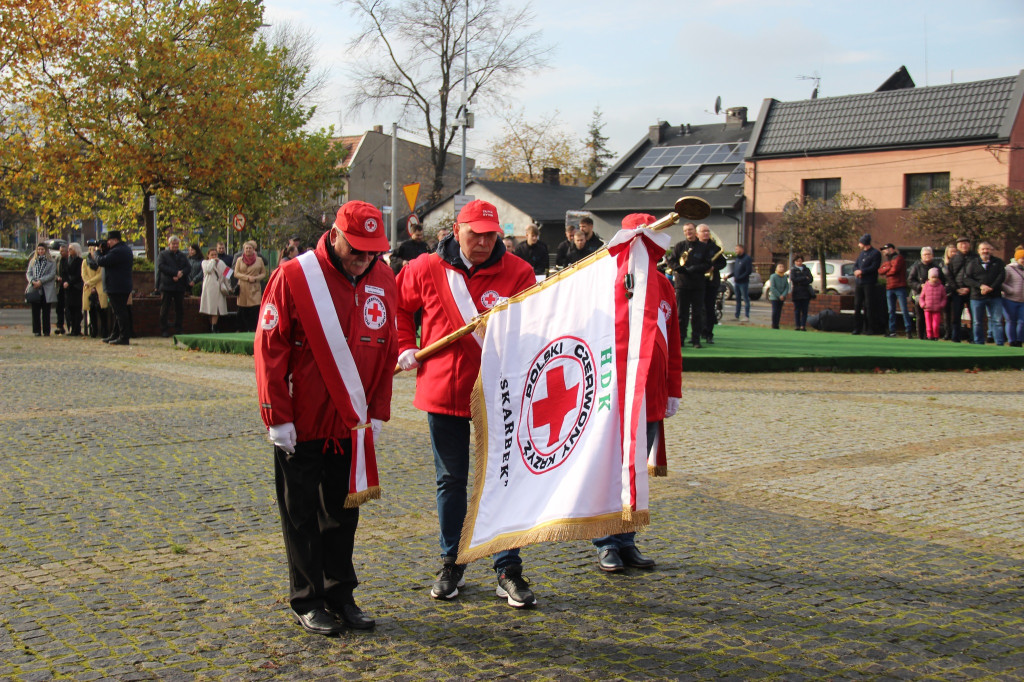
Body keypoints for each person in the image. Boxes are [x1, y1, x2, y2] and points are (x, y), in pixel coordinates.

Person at [255, 200, 398, 636]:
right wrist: (276, 417)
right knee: (300, 514)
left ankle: (340, 593)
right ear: (334, 235)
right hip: (300, 422)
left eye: (372, 250)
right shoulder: (294, 276)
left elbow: (387, 346)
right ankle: (307, 598)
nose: (364, 258)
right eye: (356, 248)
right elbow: (269, 349)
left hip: (350, 422)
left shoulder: (383, 277)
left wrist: (376, 411)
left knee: (343, 513)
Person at [395, 199, 538, 608]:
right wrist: (406, 344)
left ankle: (508, 568)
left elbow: (534, 328)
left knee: (502, 479)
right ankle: (452, 562)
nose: (481, 241)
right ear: (455, 229)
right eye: (474, 233)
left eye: (490, 234)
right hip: (443, 390)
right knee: (451, 481)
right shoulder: (424, 268)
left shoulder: (519, 272)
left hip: (500, 393)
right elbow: (400, 309)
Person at [593, 214, 680, 573]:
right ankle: (606, 542)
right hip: (614, 395)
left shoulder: (665, 285)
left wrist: (673, 388)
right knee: (611, 471)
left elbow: (672, 341)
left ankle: (627, 540)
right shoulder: (604, 280)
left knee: (635, 473)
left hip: (651, 395)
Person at [669, 223, 713, 348]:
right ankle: (681, 339)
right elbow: (671, 261)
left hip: (698, 285)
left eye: (691, 230)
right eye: (686, 230)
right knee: (681, 314)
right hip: (682, 284)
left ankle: (696, 339)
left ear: (695, 231)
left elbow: (708, 264)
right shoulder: (679, 246)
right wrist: (679, 269)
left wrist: (695, 268)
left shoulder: (703, 247)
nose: (688, 232)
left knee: (697, 313)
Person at [94, 230, 134, 345]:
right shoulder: (122, 249)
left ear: (115, 240)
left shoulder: (118, 251)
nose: (108, 243)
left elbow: (102, 261)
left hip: (116, 286)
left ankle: (124, 337)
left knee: (120, 312)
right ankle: (116, 335)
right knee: (118, 312)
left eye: (109, 241)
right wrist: (104, 250)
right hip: (120, 285)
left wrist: (97, 253)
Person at [963, 241, 1006, 346]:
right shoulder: (972, 263)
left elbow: (1001, 276)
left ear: (991, 250)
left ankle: (999, 343)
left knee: (997, 321)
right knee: (977, 322)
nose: (985, 251)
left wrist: (991, 288)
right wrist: (981, 286)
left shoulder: (998, 262)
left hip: (995, 296)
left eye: (987, 249)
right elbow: (967, 279)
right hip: (977, 297)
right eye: (983, 249)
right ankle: (979, 343)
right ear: (978, 251)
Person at [157, 235, 191, 337]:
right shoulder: (163, 254)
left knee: (179, 308)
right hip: (167, 285)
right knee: (165, 308)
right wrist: (174, 273)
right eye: (173, 244)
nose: (175, 246)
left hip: (179, 286)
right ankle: (164, 329)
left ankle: (179, 328)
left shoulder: (182, 255)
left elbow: (188, 267)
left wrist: (181, 273)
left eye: (177, 244)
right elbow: (161, 266)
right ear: (169, 244)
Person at [698, 225, 726, 344]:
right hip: (698, 281)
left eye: (707, 231)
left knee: (709, 308)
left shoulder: (715, 248)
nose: (706, 233)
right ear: (697, 233)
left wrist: (714, 267)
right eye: (703, 231)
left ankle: (709, 334)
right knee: (699, 309)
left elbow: (723, 263)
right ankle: (699, 332)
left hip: (712, 282)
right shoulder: (695, 247)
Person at [908, 247, 943, 341]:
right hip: (920, 295)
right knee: (920, 317)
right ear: (921, 256)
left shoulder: (937, 268)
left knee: (933, 319)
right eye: (925, 254)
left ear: (932, 255)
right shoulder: (916, 267)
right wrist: (920, 286)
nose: (927, 256)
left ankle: (932, 336)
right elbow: (910, 281)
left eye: (929, 254)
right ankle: (921, 336)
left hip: (934, 298)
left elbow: (942, 281)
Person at [878, 243, 913, 338]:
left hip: (899, 286)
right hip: (889, 287)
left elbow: (894, 270)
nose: (884, 251)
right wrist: (889, 267)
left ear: (891, 249)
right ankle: (892, 331)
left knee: (904, 309)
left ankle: (908, 331)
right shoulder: (888, 260)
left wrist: (887, 268)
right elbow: (880, 271)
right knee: (891, 310)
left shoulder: (899, 258)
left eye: (885, 249)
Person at [946, 237, 975, 342]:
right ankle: (955, 338)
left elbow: (978, 275)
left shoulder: (975, 258)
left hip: (972, 292)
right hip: (957, 292)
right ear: (958, 246)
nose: (964, 246)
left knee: (974, 317)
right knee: (956, 317)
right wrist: (957, 289)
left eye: (966, 243)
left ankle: (973, 338)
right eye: (961, 244)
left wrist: (970, 288)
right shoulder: (954, 259)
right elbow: (949, 276)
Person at [234, 240, 267, 332]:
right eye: (246, 248)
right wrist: (247, 277)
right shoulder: (239, 260)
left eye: (250, 248)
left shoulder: (259, 260)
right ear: (244, 250)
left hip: (255, 287)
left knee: (254, 309)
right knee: (242, 309)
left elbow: (263, 273)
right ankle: (241, 328)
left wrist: (256, 278)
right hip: (243, 287)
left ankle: (253, 328)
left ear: (253, 249)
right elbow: (236, 273)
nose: (248, 250)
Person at [852, 234, 881, 335]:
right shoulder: (861, 254)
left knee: (869, 306)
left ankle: (870, 328)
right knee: (857, 305)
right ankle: (857, 328)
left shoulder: (875, 253)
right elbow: (855, 265)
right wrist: (856, 271)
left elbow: (874, 266)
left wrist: (862, 271)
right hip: (859, 283)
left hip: (869, 283)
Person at [25, 243, 57, 337]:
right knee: (35, 311)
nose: (40, 251)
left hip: (46, 288)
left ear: (46, 250)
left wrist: (41, 281)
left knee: (46, 311)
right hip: (35, 288)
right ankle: (36, 330)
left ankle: (46, 331)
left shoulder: (51, 262)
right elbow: (29, 273)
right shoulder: (33, 261)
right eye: (38, 249)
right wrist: (33, 281)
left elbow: (52, 274)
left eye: (42, 249)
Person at [81, 243, 109, 339]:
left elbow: (101, 275)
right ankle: (93, 331)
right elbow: (84, 274)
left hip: (99, 287)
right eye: (90, 249)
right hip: (89, 288)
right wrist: (89, 284)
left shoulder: (101, 261)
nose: (92, 251)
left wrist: (90, 282)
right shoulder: (85, 262)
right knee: (91, 311)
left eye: (94, 249)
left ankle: (104, 331)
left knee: (102, 310)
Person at [199, 248, 230, 332]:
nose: (214, 256)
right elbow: (208, 270)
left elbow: (228, 272)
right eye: (212, 255)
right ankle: (213, 326)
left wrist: (228, 286)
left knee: (217, 309)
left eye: (215, 255)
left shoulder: (222, 263)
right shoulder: (204, 263)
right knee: (210, 309)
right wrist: (212, 261)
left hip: (219, 288)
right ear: (208, 256)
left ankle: (214, 327)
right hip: (210, 288)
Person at [1002, 246, 1024, 347]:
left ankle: (1019, 341)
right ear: (1017, 258)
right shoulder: (1009, 269)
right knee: (1011, 320)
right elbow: (1002, 282)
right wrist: (1010, 290)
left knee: (1022, 321)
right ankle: (1012, 341)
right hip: (1010, 299)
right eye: (1022, 258)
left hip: (1022, 301)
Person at [917, 268, 948, 340]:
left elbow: (944, 298)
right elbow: (921, 297)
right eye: (932, 277)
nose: (934, 279)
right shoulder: (925, 287)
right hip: (927, 309)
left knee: (935, 325)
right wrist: (923, 304)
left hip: (937, 309)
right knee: (928, 325)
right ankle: (929, 336)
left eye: (936, 277)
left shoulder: (941, 287)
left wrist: (941, 305)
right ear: (929, 277)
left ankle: (936, 336)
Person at [729, 244, 753, 322]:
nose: (736, 251)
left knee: (745, 298)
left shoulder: (747, 259)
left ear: (742, 249)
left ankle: (746, 316)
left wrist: (740, 277)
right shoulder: (737, 259)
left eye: (737, 249)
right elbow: (735, 271)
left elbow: (748, 271)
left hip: (743, 282)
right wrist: (729, 276)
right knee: (738, 299)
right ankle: (737, 315)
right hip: (737, 282)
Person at [789, 255, 813, 331]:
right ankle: (797, 325)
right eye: (797, 261)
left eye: (800, 261)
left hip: (805, 291)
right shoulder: (793, 270)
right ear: (795, 262)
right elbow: (794, 279)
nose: (799, 262)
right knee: (797, 310)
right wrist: (804, 278)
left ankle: (803, 325)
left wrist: (804, 279)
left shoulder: (806, 269)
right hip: (797, 291)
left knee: (805, 310)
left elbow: (811, 279)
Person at [767, 262, 790, 329]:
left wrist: (783, 295)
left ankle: (777, 324)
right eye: (779, 267)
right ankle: (774, 324)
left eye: (782, 267)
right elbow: (772, 287)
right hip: (775, 297)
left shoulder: (785, 276)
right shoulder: (773, 276)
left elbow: (787, 287)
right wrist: (779, 295)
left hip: (782, 297)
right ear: (776, 268)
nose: (781, 268)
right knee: (775, 311)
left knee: (779, 311)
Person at [53, 244, 69, 334]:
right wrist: (57, 278)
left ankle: (70, 326)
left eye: (62, 251)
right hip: (59, 287)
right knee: (59, 308)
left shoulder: (70, 260)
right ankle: (60, 326)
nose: (60, 252)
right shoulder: (58, 259)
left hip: (68, 287)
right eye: (60, 251)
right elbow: (54, 272)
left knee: (68, 308)